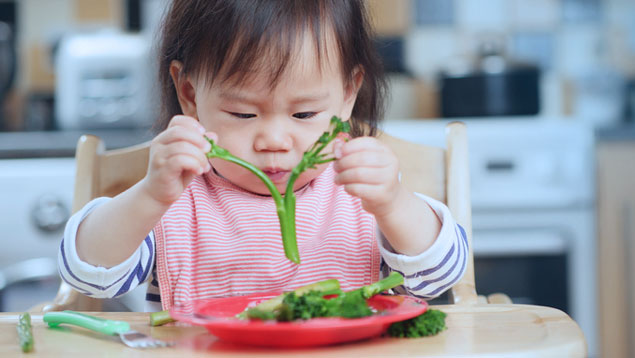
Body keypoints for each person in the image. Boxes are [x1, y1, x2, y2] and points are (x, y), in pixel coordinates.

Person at [58, 0, 468, 312]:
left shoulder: (362, 191)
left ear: (347, 95)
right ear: (190, 95)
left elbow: (439, 279)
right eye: (243, 113)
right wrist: (150, 195)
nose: (274, 139)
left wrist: (393, 203)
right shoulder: (174, 198)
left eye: (304, 114)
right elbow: (88, 276)